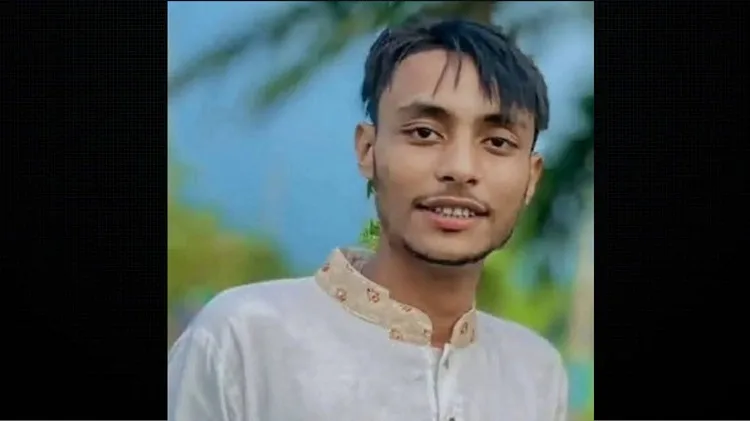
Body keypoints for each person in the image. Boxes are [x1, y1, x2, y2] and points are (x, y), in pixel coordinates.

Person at [168, 17, 567, 421]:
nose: (460, 169)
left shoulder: (535, 373)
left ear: (531, 177)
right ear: (367, 150)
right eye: (425, 133)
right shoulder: (244, 339)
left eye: (497, 142)